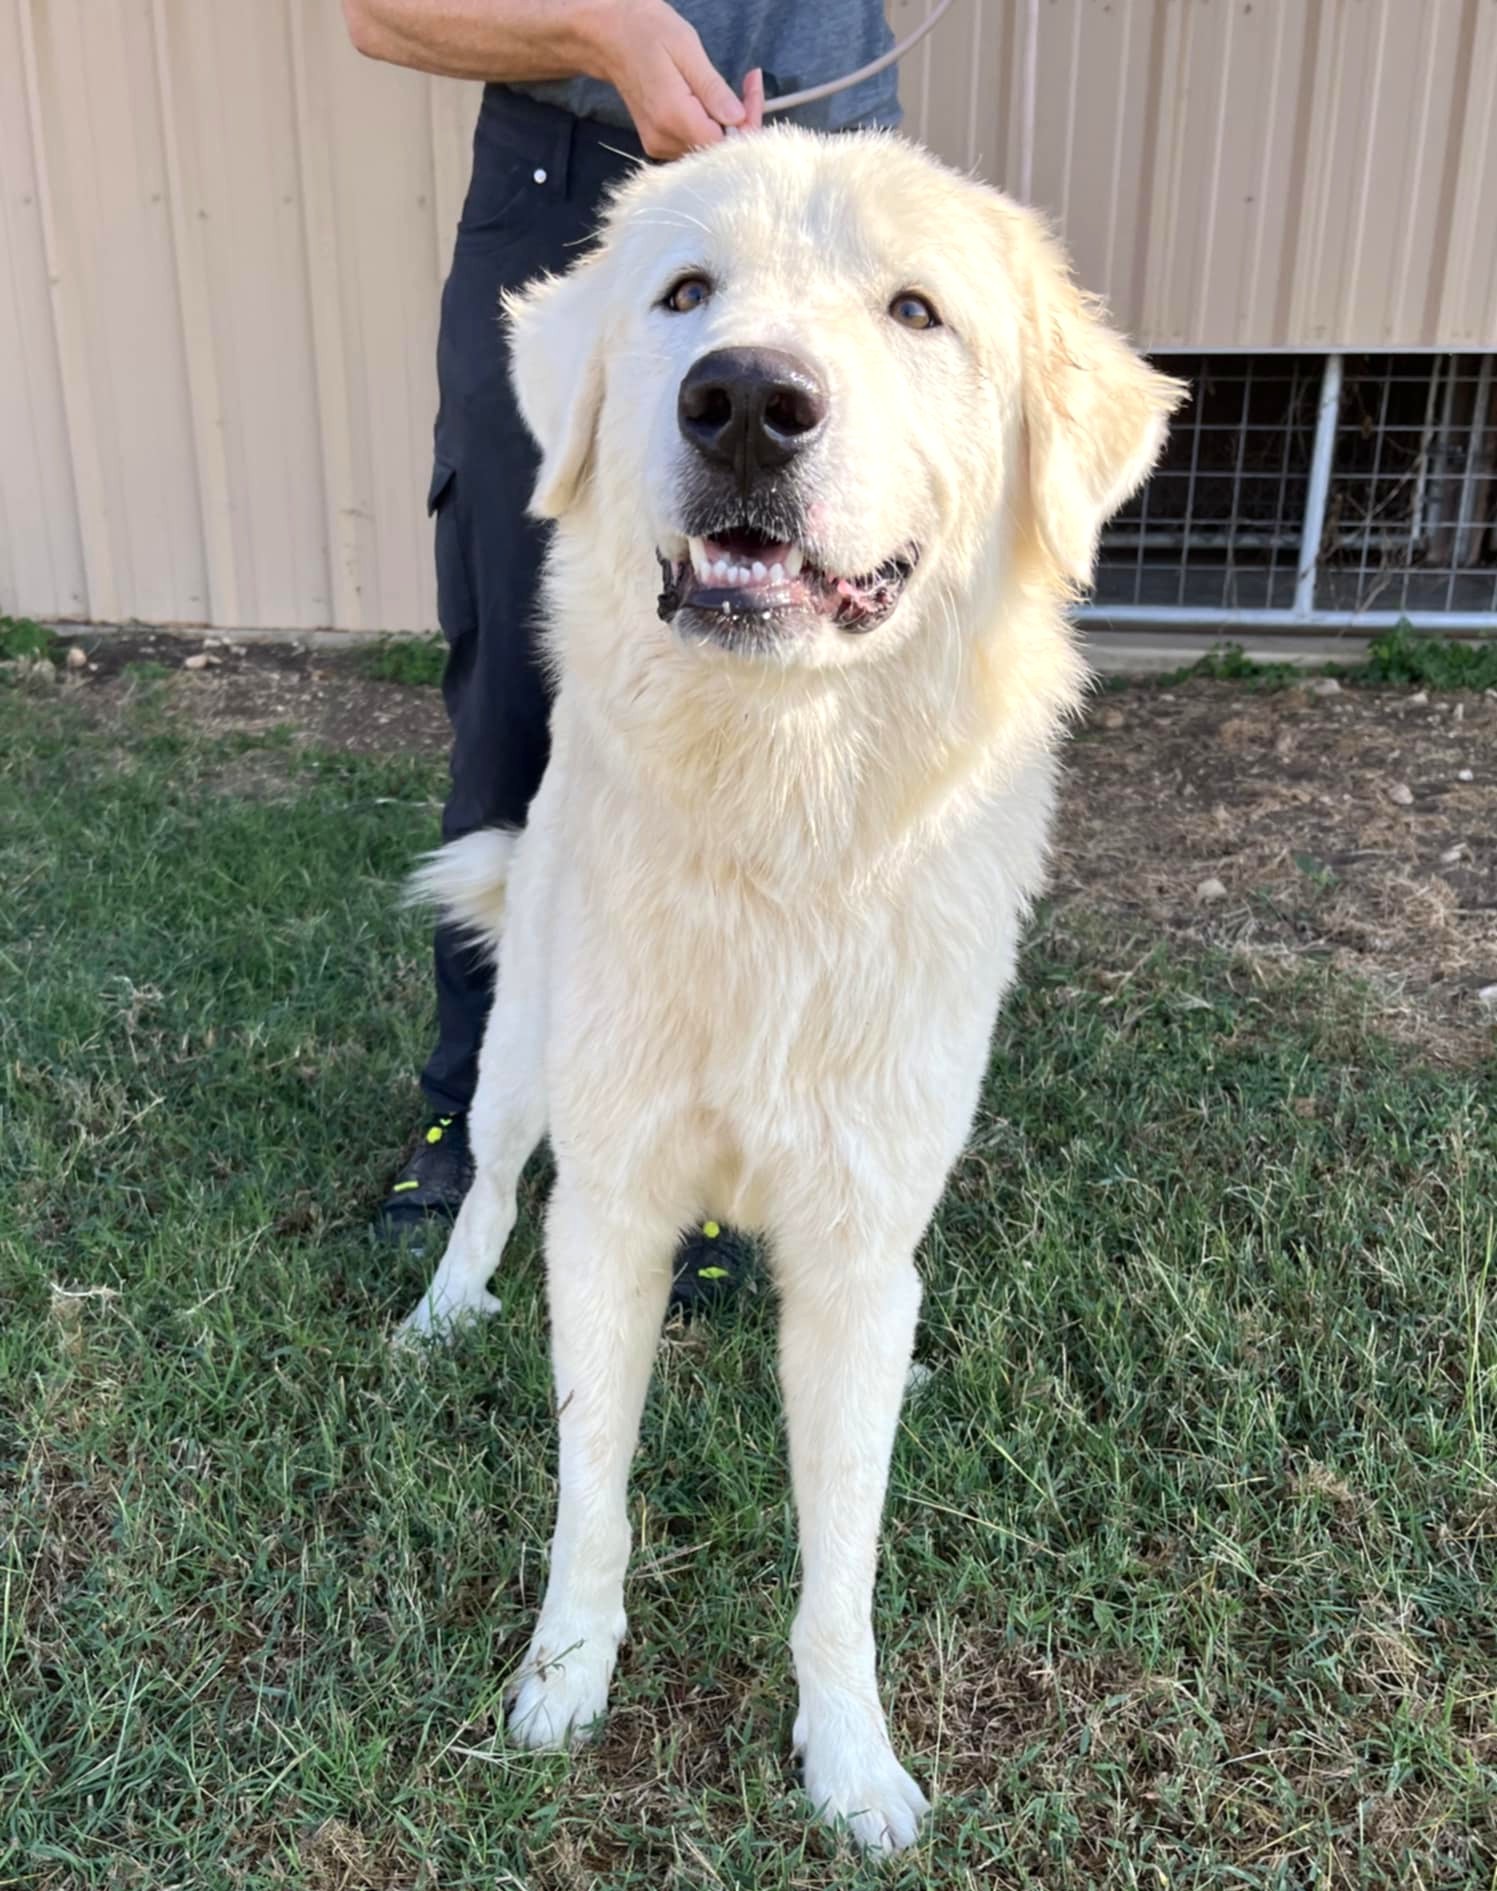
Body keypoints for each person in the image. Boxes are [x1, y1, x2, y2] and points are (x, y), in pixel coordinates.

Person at [343, 0, 902, 1304]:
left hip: (830, 193)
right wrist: (604, 31)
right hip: (568, 195)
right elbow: (380, 14)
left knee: (773, 714)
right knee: (517, 703)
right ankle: (467, 1112)